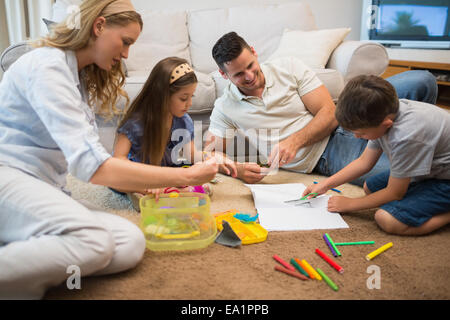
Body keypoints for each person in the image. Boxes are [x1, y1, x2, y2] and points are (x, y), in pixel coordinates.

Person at [0, 0, 217, 299]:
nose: (126, 54)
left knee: (130, 243)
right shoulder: (47, 66)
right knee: (95, 241)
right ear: (99, 26)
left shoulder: (76, 76)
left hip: (45, 187)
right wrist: (185, 178)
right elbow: (95, 168)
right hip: (9, 178)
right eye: (125, 42)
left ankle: (20, 246)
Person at [207, 31, 438, 186]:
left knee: (422, 81)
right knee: (417, 174)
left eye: (250, 65)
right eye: (238, 74)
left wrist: (294, 141)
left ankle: (405, 140)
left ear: (255, 53)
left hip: (347, 119)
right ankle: (399, 147)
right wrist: (238, 168)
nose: (249, 76)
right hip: (328, 156)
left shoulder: (288, 66)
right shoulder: (224, 108)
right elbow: (208, 154)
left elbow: (330, 114)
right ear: (223, 75)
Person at [303, 75, 450, 235]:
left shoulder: (406, 136)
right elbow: (364, 162)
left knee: (386, 219)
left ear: (386, 124)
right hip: (432, 170)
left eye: (361, 133)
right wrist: (325, 185)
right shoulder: (382, 116)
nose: (357, 138)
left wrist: (350, 204)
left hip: (445, 180)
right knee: (370, 188)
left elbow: (395, 193)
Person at [112, 57, 237, 209]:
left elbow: (192, 155)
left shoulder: (182, 120)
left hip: (164, 173)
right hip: (137, 174)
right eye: (184, 98)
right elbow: (118, 160)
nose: (189, 104)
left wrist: (211, 157)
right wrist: (144, 183)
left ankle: (161, 191)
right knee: (116, 180)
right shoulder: (136, 122)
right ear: (162, 95)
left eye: (192, 97)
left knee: (200, 185)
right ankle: (144, 191)